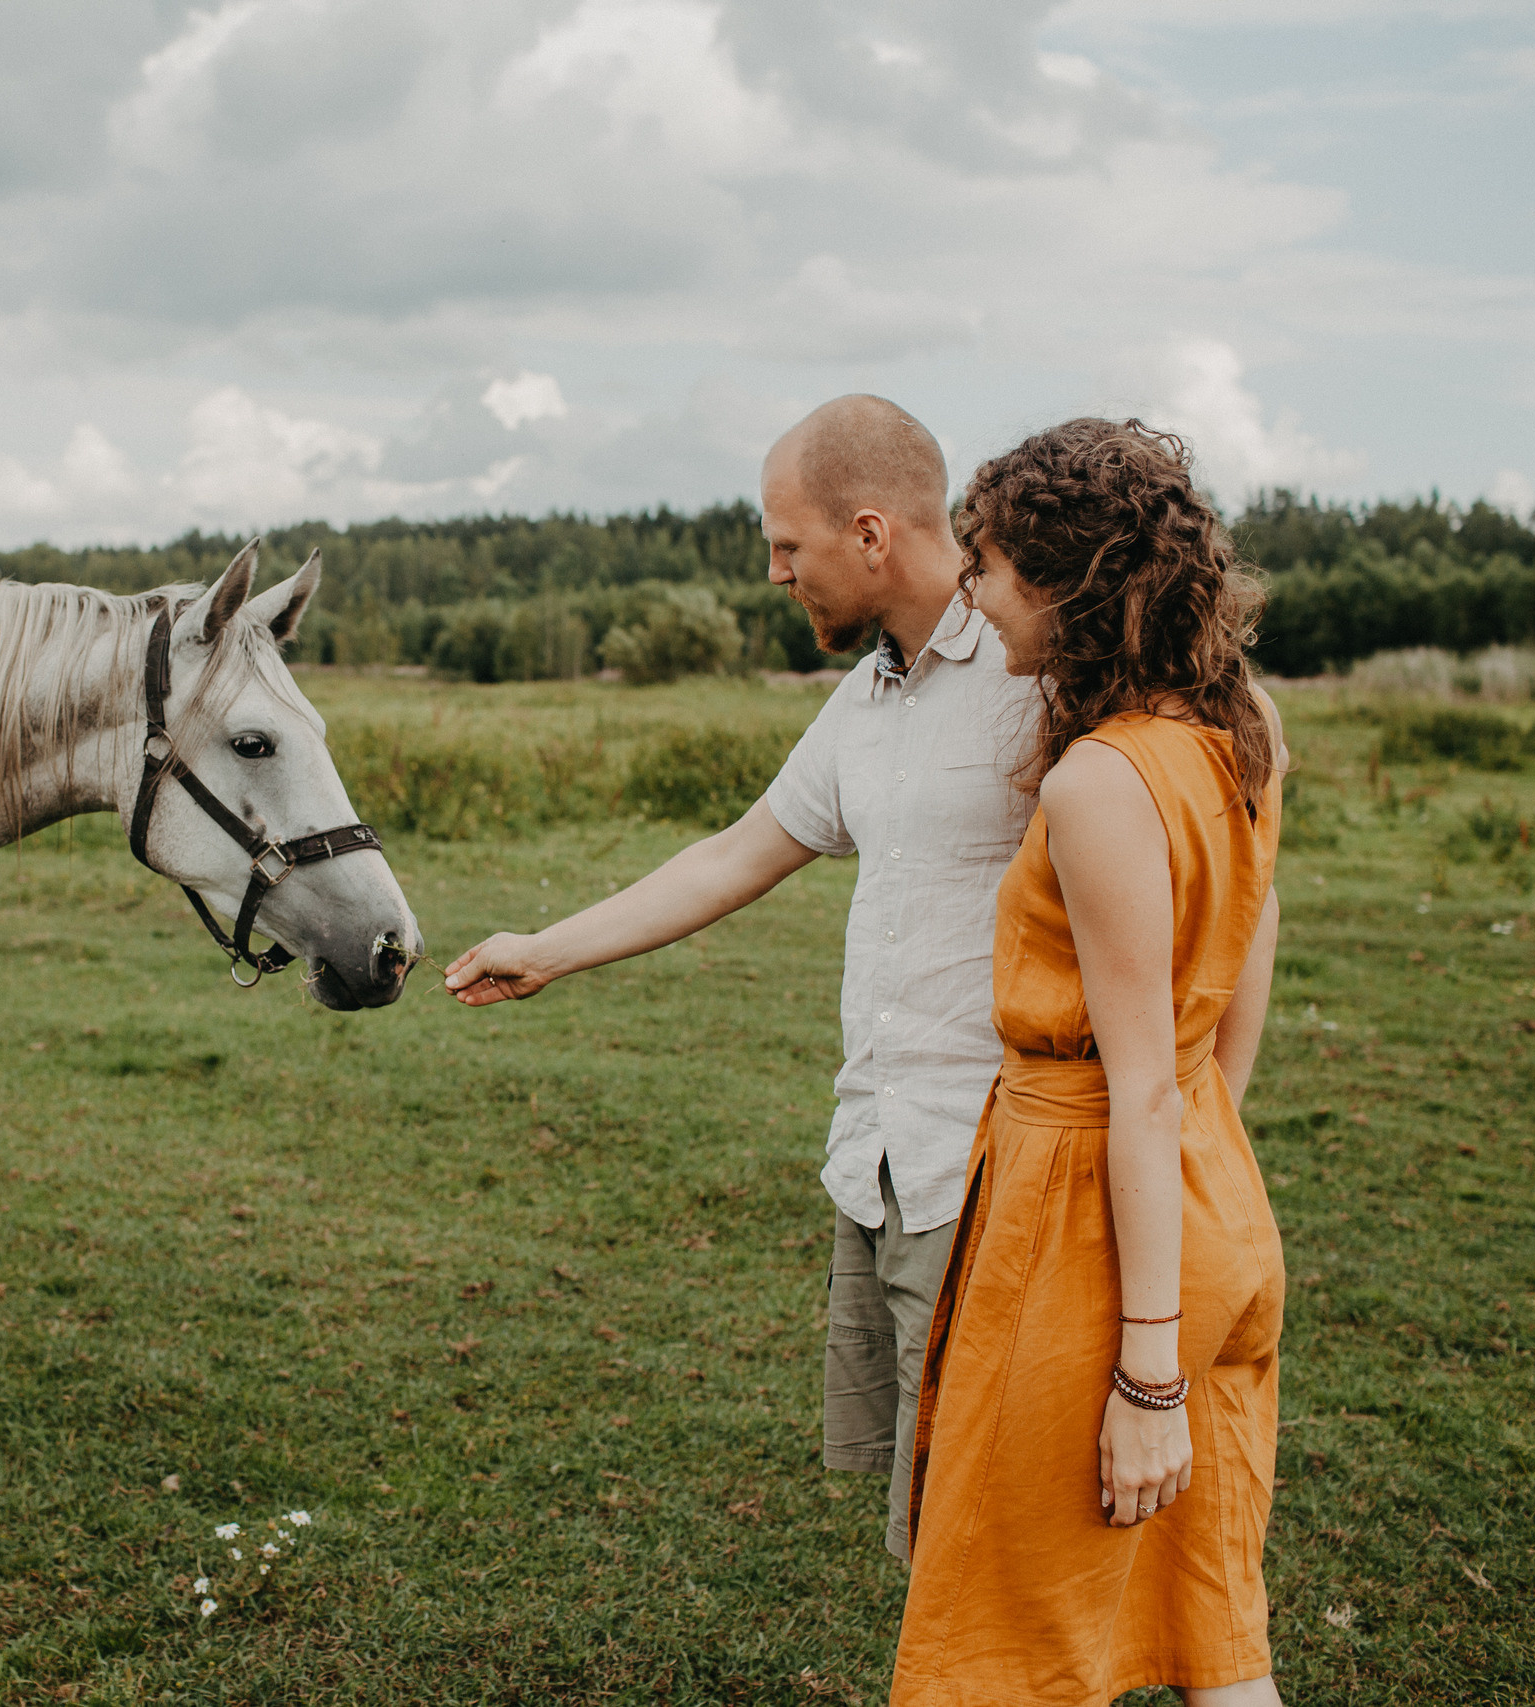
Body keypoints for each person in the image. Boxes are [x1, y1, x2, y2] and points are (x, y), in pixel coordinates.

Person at [442, 394, 1040, 1561]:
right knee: (928, 1521)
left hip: (993, 1165)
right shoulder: (864, 700)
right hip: (880, 1158)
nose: (773, 573)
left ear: (869, 534)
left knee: (987, 1526)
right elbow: (734, 854)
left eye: (785, 544)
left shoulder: (1037, 668)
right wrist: (546, 949)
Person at [890, 418, 1288, 1706]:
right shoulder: (1249, 729)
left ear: (1071, 584)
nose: (969, 592)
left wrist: (1145, 1377)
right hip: (1208, 1186)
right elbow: (1222, 1036)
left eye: (990, 567)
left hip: (1088, 1232)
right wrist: (1199, 1192)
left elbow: (1140, 1085)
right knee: (1210, 1620)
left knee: (1003, 1641)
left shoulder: (1098, 785)